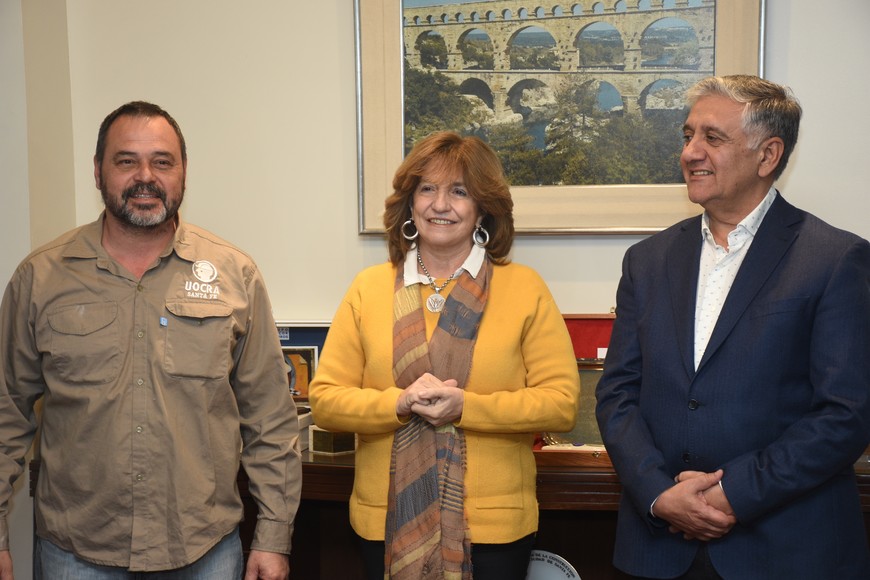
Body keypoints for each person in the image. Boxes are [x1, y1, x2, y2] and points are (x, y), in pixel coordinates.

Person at [0, 101, 302, 580]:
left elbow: (269, 416)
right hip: (74, 553)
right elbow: (6, 414)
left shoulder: (235, 276)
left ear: (183, 173)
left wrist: (273, 535)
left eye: (163, 161)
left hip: (204, 551)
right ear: (98, 173)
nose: (146, 176)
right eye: (126, 161)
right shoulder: (40, 279)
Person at [595, 74, 870, 579]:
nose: (690, 153)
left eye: (712, 138)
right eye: (687, 135)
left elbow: (845, 414)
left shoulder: (835, 259)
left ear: (767, 156)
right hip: (658, 548)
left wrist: (732, 493)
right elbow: (617, 395)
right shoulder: (646, 261)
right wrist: (659, 493)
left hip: (785, 551)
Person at [308, 131, 580, 580]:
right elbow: (326, 400)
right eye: (427, 189)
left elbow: (561, 403)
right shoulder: (368, 288)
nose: (440, 204)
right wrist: (395, 402)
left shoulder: (524, 288)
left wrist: (466, 407)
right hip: (386, 521)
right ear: (410, 203)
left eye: (459, 191)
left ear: (482, 208)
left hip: (493, 527)